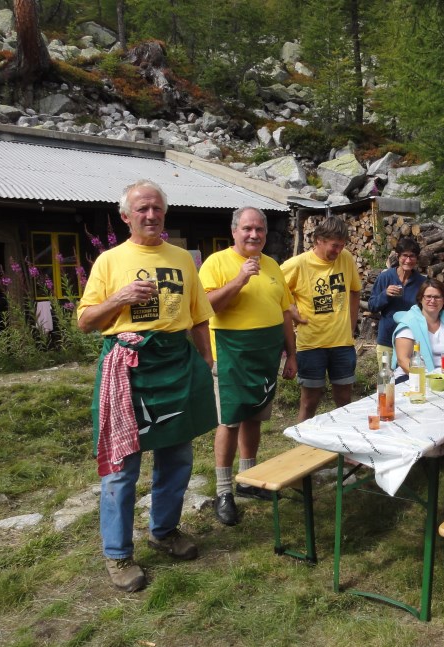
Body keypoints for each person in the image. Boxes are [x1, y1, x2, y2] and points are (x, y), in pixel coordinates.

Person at [77, 179, 217, 593]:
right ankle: (118, 553)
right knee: (122, 467)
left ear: (165, 212)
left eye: (156, 208)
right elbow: (85, 322)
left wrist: (206, 361)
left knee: (178, 456)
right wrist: (118, 299)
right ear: (126, 216)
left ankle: (164, 531)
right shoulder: (109, 261)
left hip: (176, 363)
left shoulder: (183, 259)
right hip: (129, 368)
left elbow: (199, 317)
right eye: (142, 209)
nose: (151, 215)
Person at [198, 207, 298, 525]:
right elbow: (205, 307)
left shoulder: (273, 265)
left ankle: (249, 480)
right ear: (234, 231)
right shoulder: (216, 263)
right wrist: (240, 279)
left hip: (265, 355)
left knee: (255, 416)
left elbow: (284, 312)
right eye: (247, 228)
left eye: (259, 229)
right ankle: (224, 490)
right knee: (230, 421)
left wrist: (292, 354)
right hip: (231, 355)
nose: (254, 234)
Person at [282, 216, 362, 422]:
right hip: (311, 345)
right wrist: (290, 308)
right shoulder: (298, 264)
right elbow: (273, 289)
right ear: (319, 240)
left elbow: (355, 291)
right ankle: (303, 441)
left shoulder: (346, 258)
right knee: (309, 402)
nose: (339, 251)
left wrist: (351, 325)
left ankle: (344, 440)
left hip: (342, 344)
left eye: (342, 246)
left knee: (344, 401)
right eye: (334, 245)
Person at [367, 237, 426, 365]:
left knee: (412, 375)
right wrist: (385, 295)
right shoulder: (385, 277)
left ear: (417, 258)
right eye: (405, 255)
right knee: (387, 376)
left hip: (412, 340)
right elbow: (372, 306)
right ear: (398, 256)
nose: (408, 260)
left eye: (412, 256)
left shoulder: (422, 282)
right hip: (387, 339)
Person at [390, 278, 444, 380]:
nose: (432, 300)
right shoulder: (410, 323)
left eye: (437, 297)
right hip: (412, 377)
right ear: (421, 299)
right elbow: (403, 360)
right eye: (428, 296)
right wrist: (426, 379)